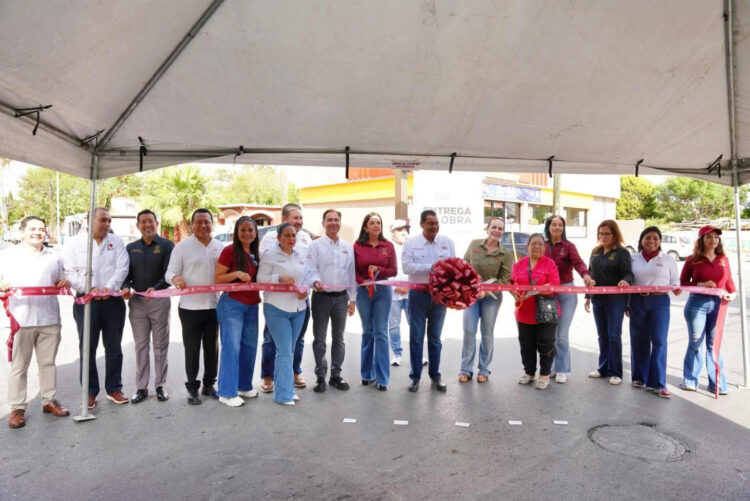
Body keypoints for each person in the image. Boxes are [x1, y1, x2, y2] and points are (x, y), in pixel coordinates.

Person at [1, 216, 70, 428]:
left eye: (41, 229)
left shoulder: (55, 256)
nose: (37, 232)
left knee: (47, 363)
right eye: (32, 229)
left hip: (49, 318)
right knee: (19, 366)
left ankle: (49, 400)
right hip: (21, 319)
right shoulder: (8, 255)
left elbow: (62, 279)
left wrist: (64, 281)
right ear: (22, 232)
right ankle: (17, 407)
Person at [63, 207, 130, 409]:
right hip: (86, 301)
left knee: (114, 346)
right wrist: (89, 289)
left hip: (112, 301)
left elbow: (122, 267)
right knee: (87, 347)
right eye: (103, 220)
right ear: (89, 221)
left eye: (109, 220)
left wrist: (109, 288)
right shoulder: (74, 243)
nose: (107, 224)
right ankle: (90, 392)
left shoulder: (116, 241)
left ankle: (114, 389)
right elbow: (70, 272)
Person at [165, 208, 224, 405]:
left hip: (214, 306)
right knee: (192, 349)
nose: (203, 225)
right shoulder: (182, 247)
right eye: (198, 222)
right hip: (189, 308)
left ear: (212, 224)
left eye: (207, 221)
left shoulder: (220, 247)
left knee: (212, 348)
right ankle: (192, 387)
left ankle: (209, 384)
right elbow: (169, 272)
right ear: (192, 225)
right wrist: (176, 278)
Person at [122, 209, 174, 404]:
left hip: (159, 300)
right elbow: (125, 274)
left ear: (156, 224)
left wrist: (157, 288)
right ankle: (141, 387)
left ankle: (160, 385)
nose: (147, 225)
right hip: (137, 302)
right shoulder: (131, 248)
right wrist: (125, 287)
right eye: (143, 222)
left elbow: (169, 273)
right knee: (141, 346)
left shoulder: (167, 245)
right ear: (138, 226)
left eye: (150, 221)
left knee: (160, 345)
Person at [259, 203, 312, 392]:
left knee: (298, 338)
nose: (298, 222)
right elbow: (263, 271)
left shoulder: (305, 238)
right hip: (277, 303)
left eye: (300, 218)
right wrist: (280, 278)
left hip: (300, 300)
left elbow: (309, 270)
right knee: (272, 339)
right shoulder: (269, 239)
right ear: (284, 220)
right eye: (295, 218)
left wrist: (306, 289)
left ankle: (294, 372)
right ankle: (268, 375)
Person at [402, 209, 455, 392]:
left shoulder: (447, 242)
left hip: (440, 295)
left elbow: (453, 268)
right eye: (430, 223)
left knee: (435, 339)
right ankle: (415, 377)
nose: (434, 226)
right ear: (422, 224)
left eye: (436, 223)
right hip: (418, 295)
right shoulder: (411, 243)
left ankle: (435, 376)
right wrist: (431, 267)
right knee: (416, 338)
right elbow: (407, 267)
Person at [679, 225, 736, 395]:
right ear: (701, 239)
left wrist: (733, 293)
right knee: (696, 343)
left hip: (719, 304)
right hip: (697, 304)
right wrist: (701, 284)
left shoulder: (723, 259)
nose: (713, 240)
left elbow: (729, 280)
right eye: (709, 237)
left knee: (714, 345)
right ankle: (690, 381)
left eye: (716, 237)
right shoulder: (692, 259)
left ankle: (717, 384)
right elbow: (683, 282)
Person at [306, 209, 356, 393]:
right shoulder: (315, 246)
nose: (333, 223)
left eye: (336, 220)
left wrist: (352, 299)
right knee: (319, 339)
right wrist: (315, 281)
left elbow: (351, 274)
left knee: (339, 338)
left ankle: (336, 375)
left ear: (340, 223)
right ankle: (320, 376)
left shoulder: (348, 247)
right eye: (330, 220)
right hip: (321, 297)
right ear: (323, 223)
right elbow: (311, 269)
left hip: (341, 298)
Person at [214, 216, 261, 407]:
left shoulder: (255, 252)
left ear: (256, 233)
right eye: (243, 230)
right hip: (232, 304)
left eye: (250, 230)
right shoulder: (229, 251)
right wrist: (236, 274)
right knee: (231, 348)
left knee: (249, 346)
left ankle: (243, 385)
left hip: (252, 304)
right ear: (236, 232)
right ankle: (226, 392)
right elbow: (217, 278)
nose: (247, 233)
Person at [628, 226, 680, 399]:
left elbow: (675, 282)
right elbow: (628, 280)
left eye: (655, 238)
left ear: (660, 241)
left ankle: (658, 383)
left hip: (659, 302)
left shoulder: (668, 259)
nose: (651, 241)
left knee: (659, 340)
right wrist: (627, 303)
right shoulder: (633, 258)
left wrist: (676, 288)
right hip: (637, 301)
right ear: (641, 240)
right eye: (648, 238)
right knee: (638, 339)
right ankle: (639, 377)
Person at [459, 217, 512, 383]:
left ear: (503, 232)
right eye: (494, 227)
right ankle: (466, 369)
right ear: (487, 228)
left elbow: (505, 279)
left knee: (487, 333)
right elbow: (463, 265)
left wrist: (486, 291)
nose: (497, 230)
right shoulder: (474, 244)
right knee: (469, 330)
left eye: (500, 228)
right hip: (471, 294)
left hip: (492, 298)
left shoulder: (506, 253)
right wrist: (469, 282)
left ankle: (484, 369)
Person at [543, 215, 594, 384]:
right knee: (549, 333)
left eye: (560, 225)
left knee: (561, 333)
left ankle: (562, 368)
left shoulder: (568, 246)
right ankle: (550, 366)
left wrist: (586, 275)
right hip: (547, 293)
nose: (557, 227)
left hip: (566, 292)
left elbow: (578, 263)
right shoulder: (542, 245)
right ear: (548, 227)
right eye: (554, 224)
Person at [584, 219, 633, 385]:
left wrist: (626, 281)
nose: (603, 237)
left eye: (607, 234)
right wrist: (588, 296)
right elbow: (590, 273)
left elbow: (628, 274)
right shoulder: (596, 251)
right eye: (601, 234)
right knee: (602, 336)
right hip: (598, 299)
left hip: (615, 300)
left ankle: (616, 372)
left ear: (614, 234)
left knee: (613, 336)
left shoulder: (622, 252)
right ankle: (603, 368)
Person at [510, 233, 561, 390]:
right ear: (527, 247)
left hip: (546, 311)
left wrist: (540, 289)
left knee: (546, 342)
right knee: (526, 344)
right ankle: (529, 372)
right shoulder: (519, 264)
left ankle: (544, 374)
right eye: (534, 244)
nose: (537, 246)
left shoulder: (549, 263)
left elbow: (555, 283)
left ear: (544, 247)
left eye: (540, 244)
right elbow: (512, 283)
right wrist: (514, 292)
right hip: (524, 311)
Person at [354, 212, 397, 390]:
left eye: (378, 222)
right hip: (363, 291)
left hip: (383, 292)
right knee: (367, 331)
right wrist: (362, 281)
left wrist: (379, 269)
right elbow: (353, 270)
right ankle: (366, 374)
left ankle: (382, 378)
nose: (376, 225)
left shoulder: (388, 245)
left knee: (381, 332)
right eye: (372, 223)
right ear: (365, 227)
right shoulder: (357, 246)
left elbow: (393, 270)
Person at [388, 219, 410, 366]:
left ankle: (418, 354)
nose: (403, 232)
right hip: (393, 294)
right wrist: (394, 287)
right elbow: (383, 271)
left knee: (415, 324)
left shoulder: (412, 247)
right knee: (394, 325)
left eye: (405, 229)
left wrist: (412, 286)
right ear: (392, 232)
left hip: (411, 293)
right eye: (399, 230)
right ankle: (397, 354)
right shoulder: (387, 248)